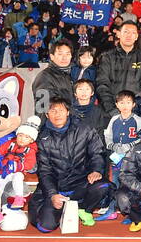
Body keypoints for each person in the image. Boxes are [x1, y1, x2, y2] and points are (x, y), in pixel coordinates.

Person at [28, 97, 111, 232]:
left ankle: (81, 209)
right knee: (45, 227)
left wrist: (96, 170)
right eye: (53, 111)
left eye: (60, 110)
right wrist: (53, 194)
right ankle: (60, 209)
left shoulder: (85, 129)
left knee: (103, 186)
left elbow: (97, 153)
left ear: (68, 112)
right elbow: (44, 171)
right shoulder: (41, 138)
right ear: (47, 115)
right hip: (56, 188)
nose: (57, 114)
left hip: (79, 184)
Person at [96, 19, 141, 110]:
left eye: (132, 33)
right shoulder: (107, 57)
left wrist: (134, 108)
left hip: (135, 110)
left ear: (136, 36)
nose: (129, 35)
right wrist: (111, 109)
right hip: (110, 111)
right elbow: (102, 84)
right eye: (126, 32)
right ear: (118, 34)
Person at [103, 90, 141, 194]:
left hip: (132, 157)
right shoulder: (114, 119)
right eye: (121, 103)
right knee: (115, 178)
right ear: (117, 105)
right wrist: (112, 146)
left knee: (130, 178)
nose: (125, 106)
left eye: (128, 102)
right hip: (116, 155)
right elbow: (108, 135)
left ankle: (128, 202)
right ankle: (113, 203)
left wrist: (130, 146)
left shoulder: (138, 120)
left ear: (133, 104)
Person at [34, 38, 77, 111]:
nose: (64, 58)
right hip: (56, 120)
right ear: (52, 56)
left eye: (67, 54)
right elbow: (42, 108)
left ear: (71, 56)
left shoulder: (73, 74)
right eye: (60, 54)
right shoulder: (44, 77)